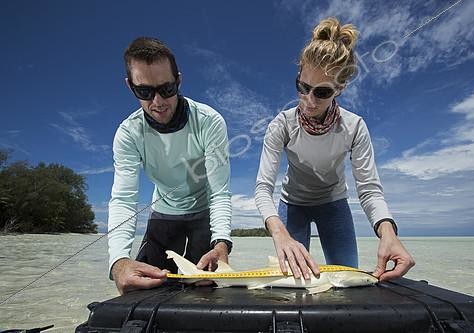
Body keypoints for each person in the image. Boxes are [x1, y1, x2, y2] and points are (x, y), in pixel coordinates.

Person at [255, 17, 414, 281]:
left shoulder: (354, 127)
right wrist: (279, 233)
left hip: (334, 204)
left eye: (322, 92)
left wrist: (388, 232)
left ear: (340, 88)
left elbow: (369, 189)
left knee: (347, 277)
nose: (308, 100)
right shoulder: (280, 125)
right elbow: (263, 188)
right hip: (292, 204)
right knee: (292, 281)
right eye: (303, 87)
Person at [108, 37, 232, 295]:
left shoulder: (210, 122)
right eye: (144, 92)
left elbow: (219, 191)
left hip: (203, 214)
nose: (157, 102)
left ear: (179, 80)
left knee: (202, 291)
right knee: (142, 290)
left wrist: (222, 243)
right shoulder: (128, 133)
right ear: (130, 87)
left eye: (166, 89)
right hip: (163, 214)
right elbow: (123, 199)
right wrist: (118, 262)